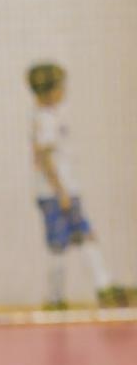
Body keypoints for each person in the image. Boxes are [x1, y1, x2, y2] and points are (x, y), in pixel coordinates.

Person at [26, 61, 128, 309]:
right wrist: (59, 190)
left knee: (84, 234)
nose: (64, 91)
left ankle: (103, 286)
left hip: (66, 189)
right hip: (54, 192)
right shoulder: (44, 120)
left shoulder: (52, 116)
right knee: (59, 243)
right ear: (49, 91)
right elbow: (44, 157)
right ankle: (55, 297)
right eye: (61, 87)